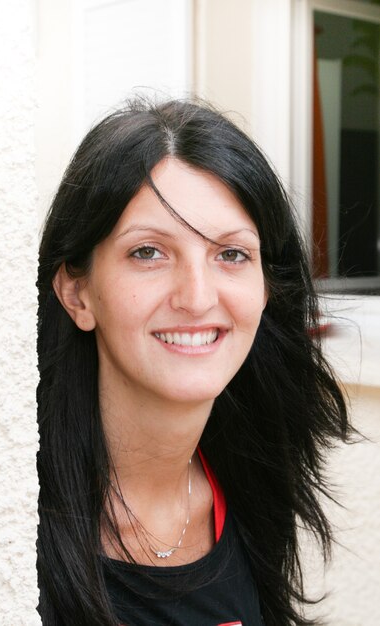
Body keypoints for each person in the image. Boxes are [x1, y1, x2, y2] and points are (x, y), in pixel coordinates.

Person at [36, 98, 352, 626]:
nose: (198, 296)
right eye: (149, 252)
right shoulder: (5, 522)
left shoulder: (251, 480)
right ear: (77, 293)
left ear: (266, 288)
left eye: (231, 254)